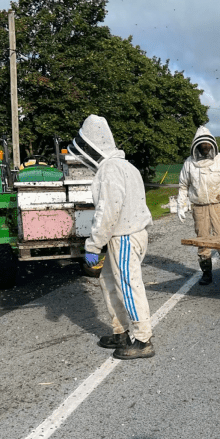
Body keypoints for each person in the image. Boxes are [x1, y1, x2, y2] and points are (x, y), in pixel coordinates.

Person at [67, 115, 154, 360]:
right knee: (108, 282)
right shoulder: (126, 166)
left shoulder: (110, 169)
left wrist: (93, 244)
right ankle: (122, 332)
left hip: (124, 236)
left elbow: (108, 212)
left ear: (92, 144)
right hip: (130, 234)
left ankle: (143, 339)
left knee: (128, 286)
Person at [177, 126, 220, 285]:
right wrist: (181, 205)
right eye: (203, 145)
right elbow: (183, 186)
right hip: (199, 208)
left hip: (218, 205)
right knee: (202, 241)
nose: (206, 148)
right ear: (197, 146)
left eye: (208, 145)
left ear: (212, 145)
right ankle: (207, 274)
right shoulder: (189, 163)